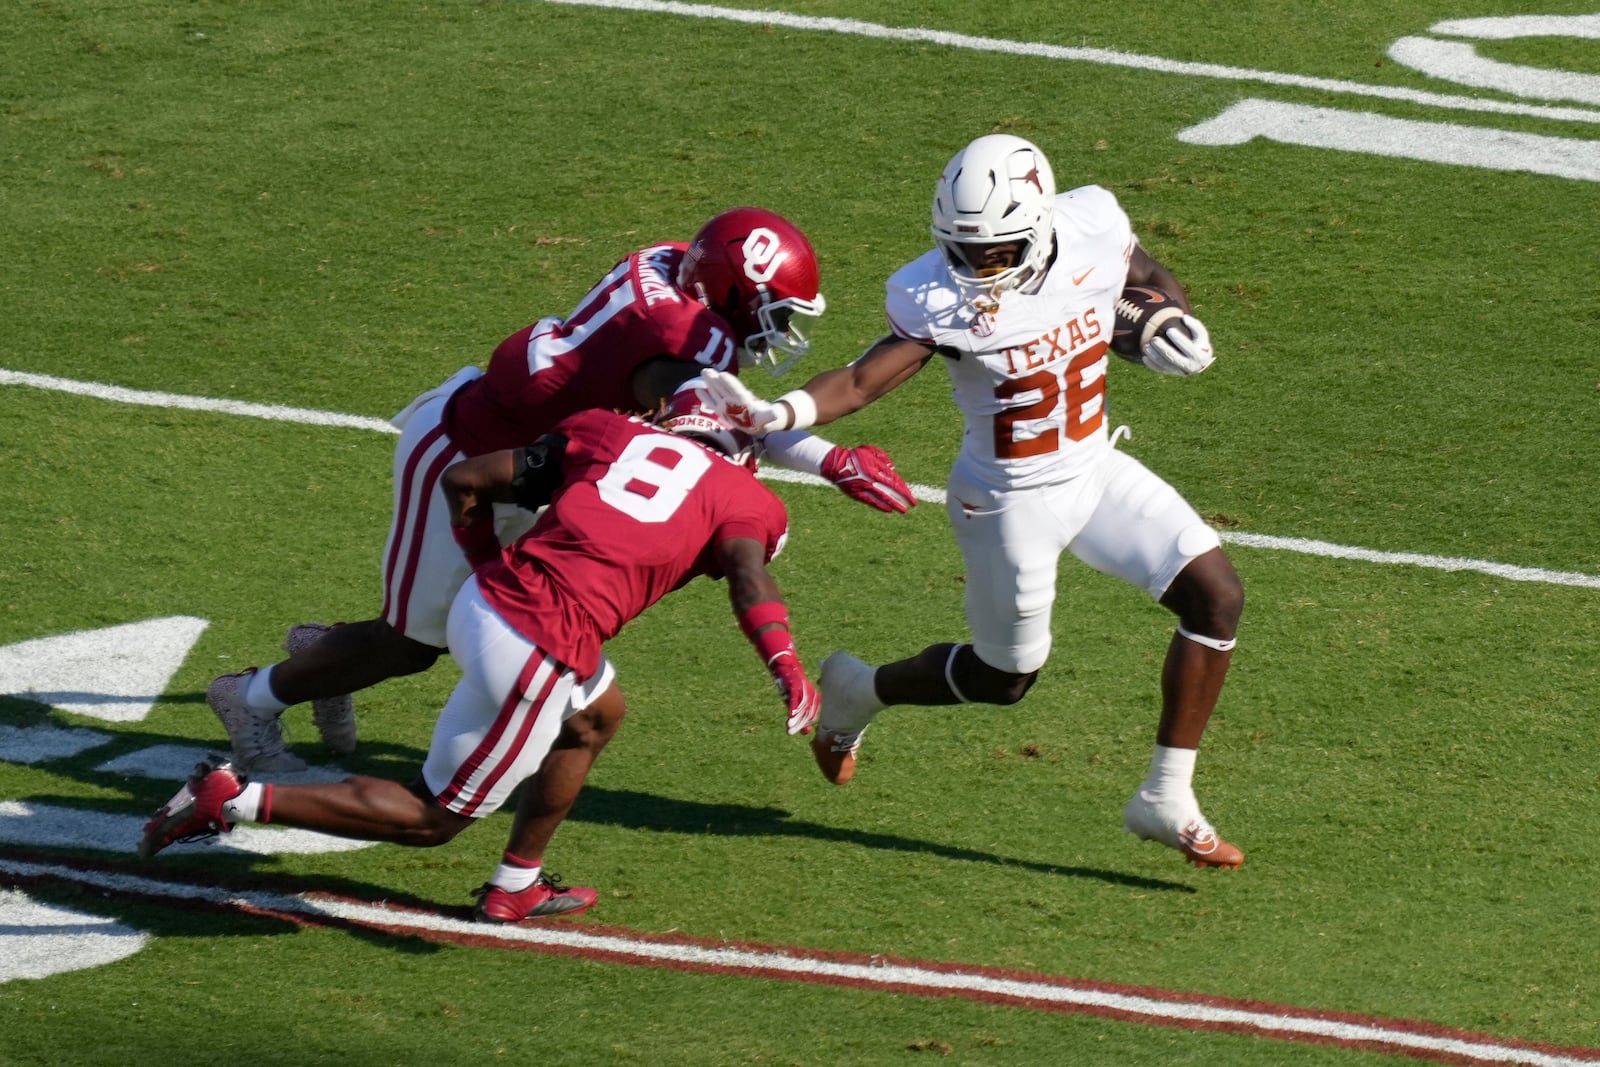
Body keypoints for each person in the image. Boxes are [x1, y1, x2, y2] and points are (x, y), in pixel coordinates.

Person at [703, 134, 1246, 869]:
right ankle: (861, 691)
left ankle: (1165, 795)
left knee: (1216, 597)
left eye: (994, 251)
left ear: (1042, 224)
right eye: (964, 249)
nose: (976, 267)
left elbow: (1144, 277)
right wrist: (781, 413)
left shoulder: (1093, 221)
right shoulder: (933, 294)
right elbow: (864, 379)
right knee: (1006, 677)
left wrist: (1159, 321)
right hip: (1007, 500)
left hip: (1093, 468)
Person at [211, 206, 915, 774]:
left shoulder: (673, 263)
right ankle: (254, 697)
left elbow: (714, 403)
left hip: (528, 459)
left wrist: (824, 459)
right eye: (774, 308)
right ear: (729, 292)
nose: (780, 328)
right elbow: (718, 415)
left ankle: (327, 657)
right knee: (414, 642)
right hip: (470, 457)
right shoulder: (691, 338)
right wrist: (827, 456)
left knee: (459, 623)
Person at [142, 381, 822, 922]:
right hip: (538, 643)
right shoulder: (746, 495)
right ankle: (232, 798)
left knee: (594, 716)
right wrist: (786, 663)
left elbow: (465, 479)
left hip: (486, 598)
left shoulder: (611, 431)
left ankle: (516, 885)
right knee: (433, 816)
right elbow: (748, 576)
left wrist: (485, 564)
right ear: (745, 447)